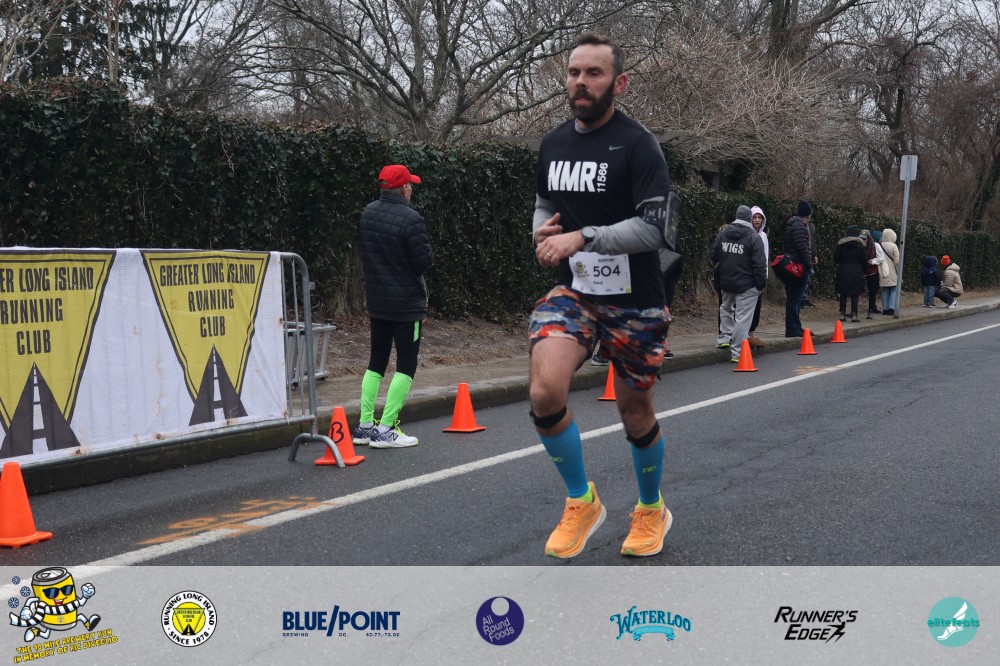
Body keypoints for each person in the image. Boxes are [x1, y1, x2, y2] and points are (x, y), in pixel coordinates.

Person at [530, 32, 673, 559]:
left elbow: (654, 229)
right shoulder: (553, 144)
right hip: (576, 293)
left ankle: (651, 508)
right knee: (545, 392)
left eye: (594, 73)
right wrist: (542, 233)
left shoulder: (639, 145)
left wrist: (583, 236)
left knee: (635, 412)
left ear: (619, 83)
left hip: (636, 300)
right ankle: (581, 501)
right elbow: (545, 202)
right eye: (574, 73)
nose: (581, 82)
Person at [352, 164, 433, 449]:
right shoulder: (412, 219)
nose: (412, 189)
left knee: (376, 360)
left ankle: (364, 426)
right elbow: (423, 262)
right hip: (406, 304)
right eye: (410, 185)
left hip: (378, 301)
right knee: (406, 364)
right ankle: (386, 429)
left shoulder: (367, 213)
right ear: (404, 188)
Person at [711, 205, 767, 362]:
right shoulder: (753, 237)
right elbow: (759, 265)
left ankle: (723, 338)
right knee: (743, 318)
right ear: (749, 218)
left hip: (726, 281)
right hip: (747, 284)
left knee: (726, 308)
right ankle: (737, 352)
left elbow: (714, 256)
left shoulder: (723, 234)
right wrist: (760, 284)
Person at [781, 201, 813, 337]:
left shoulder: (791, 224)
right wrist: (809, 265)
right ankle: (792, 328)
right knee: (795, 298)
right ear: (808, 214)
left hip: (791, 265)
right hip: (798, 266)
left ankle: (795, 326)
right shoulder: (799, 226)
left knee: (794, 298)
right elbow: (802, 247)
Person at [833, 225, 867, 322]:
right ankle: (854, 314)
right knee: (855, 294)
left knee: (843, 294)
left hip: (843, 271)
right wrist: (864, 270)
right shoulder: (860, 246)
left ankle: (842, 313)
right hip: (857, 272)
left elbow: (836, 259)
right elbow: (864, 260)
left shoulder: (841, 245)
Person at [747, 205, 769, 348]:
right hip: (747, 275)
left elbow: (765, 257)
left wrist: (764, 277)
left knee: (757, 306)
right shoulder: (747, 235)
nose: (757, 220)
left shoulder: (763, 236)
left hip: (759, 275)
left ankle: (752, 331)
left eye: (759, 217)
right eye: (754, 217)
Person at [859, 229, 884, 318]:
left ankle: (871, 310)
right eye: (861, 238)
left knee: (872, 292)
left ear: (869, 238)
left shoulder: (875, 245)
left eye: (864, 239)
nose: (863, 240)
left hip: (872, 272)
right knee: (857, 291)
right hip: (862, 271)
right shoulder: (859, 245)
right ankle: (854, 311)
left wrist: (873, 261)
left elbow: (881, 258)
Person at [878, 228, 900, 315]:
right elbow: (897, 262)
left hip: (883, 272)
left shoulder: (879, 245)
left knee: (885, 290)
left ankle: (885, 309)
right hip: (892, 272)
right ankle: (891, 308)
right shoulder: (894, 246)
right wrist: (899, 272)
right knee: (893, 290)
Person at [801, 208, 818, 307]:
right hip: (804, 254)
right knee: (804, 277)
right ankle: (802, 298)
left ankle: (805, 298)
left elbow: (812, 242)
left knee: (808, 278)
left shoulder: (811, 226)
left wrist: (814, 254)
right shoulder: (801, 225)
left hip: (810, 254)